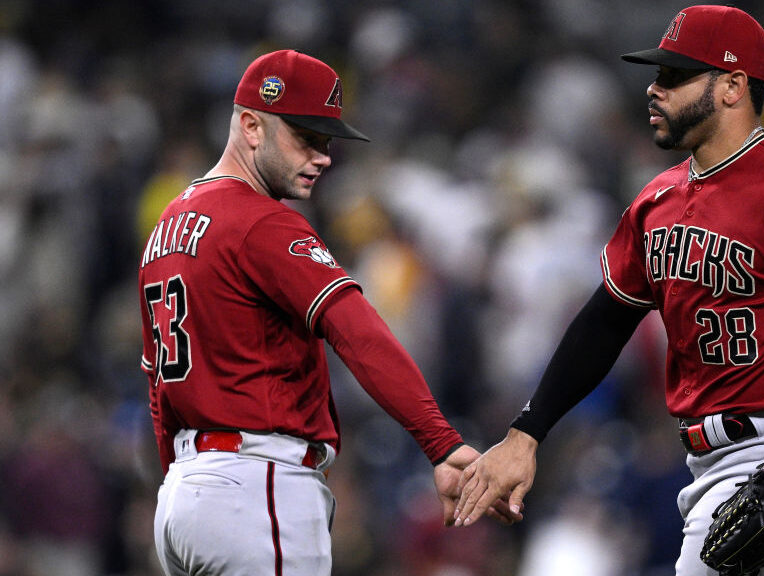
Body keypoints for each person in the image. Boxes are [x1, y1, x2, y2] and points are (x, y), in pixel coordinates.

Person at [453, 5, 764, 575]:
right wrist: (526, 433)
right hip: (707, 464)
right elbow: (607, 319)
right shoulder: (656, 201)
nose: (654, 89)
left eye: (675, 76)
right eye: (657, 75)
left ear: (733, 86)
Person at [138, 49, 516, 576]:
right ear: (251, 125)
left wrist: (180, 483)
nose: (323, 156)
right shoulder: (263, 222)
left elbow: (159, 388)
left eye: (326, 141)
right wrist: (441, 442)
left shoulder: (167, 226)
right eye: (305, 138)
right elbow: (360, 335)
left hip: (187, 495)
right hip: (257, 487)